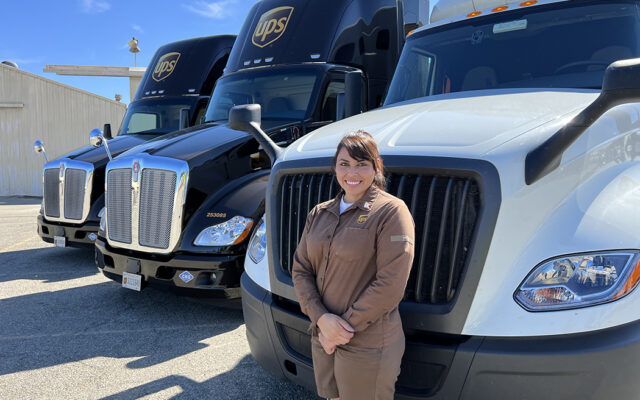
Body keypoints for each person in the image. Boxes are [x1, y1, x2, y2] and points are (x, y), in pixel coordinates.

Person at [292, 130, 415, 400]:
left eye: (361, 164)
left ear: (376, 166)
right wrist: (321, 319)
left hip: (367, 343)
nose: (352, 172)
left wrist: (339, 330)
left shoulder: (391, 212)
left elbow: (391, 284)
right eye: (344, 164)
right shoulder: (319, 213)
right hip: (323, 334)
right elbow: (301, 270)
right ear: (335, 167)